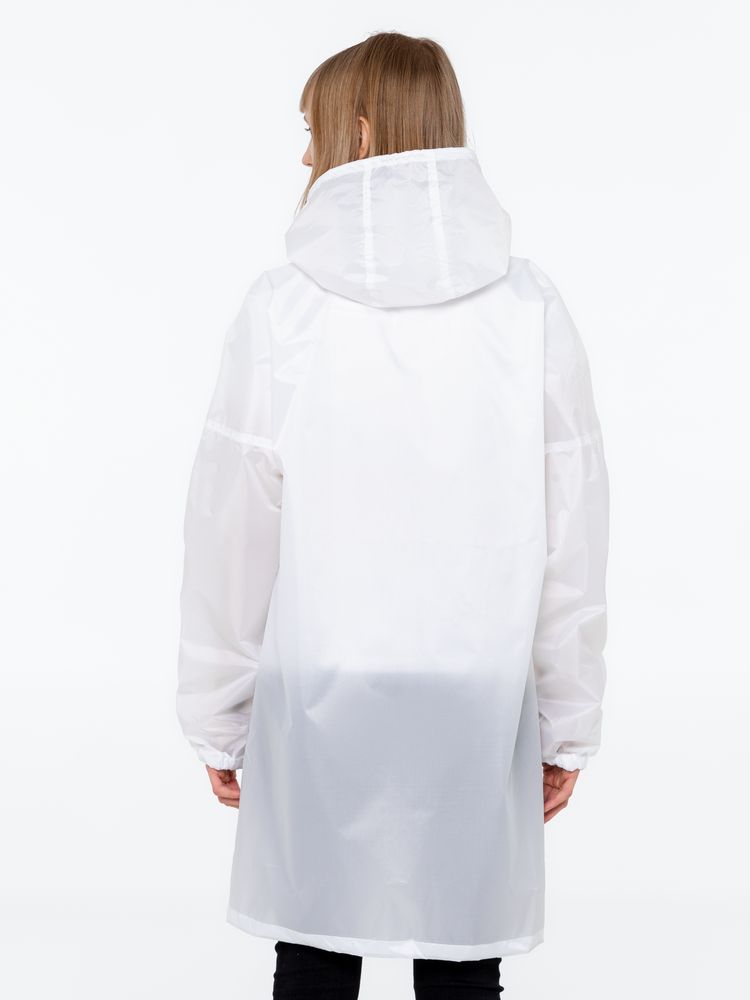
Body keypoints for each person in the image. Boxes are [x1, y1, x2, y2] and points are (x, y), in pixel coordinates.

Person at [176, 30, 610, 1000]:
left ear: (361, 132)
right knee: (461, 960)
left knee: (313, 951)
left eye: (314, 129)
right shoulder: (529, 308)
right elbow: (574, 530)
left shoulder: (283, 309)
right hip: (476, 692)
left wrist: (217, 711)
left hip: (318, 690)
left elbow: (230, 528)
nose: (304, 153)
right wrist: (567, 718)